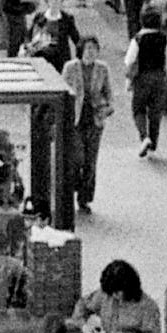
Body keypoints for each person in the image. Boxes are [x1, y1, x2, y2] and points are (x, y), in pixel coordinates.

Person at [64, 32, 115, 212]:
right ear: (81, 51)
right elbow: (64, 91)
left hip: (94, 118)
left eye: (94, 49)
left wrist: (107, 109)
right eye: (88, 49)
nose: (91, 53)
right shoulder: (70, 67)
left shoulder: (102, 68)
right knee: (78, 157)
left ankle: (85, 198)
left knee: (91, 161)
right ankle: (75, 187)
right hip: (76, 119)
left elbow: (109, 94)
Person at [125, 6, 167, 157]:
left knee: (138, 109)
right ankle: (154, 141)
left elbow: (130, 60)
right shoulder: (164, 38)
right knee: (155, 111)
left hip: (142, 78)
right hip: (159, 77)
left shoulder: (138, 39)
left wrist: (129, 78)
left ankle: (144, 137)